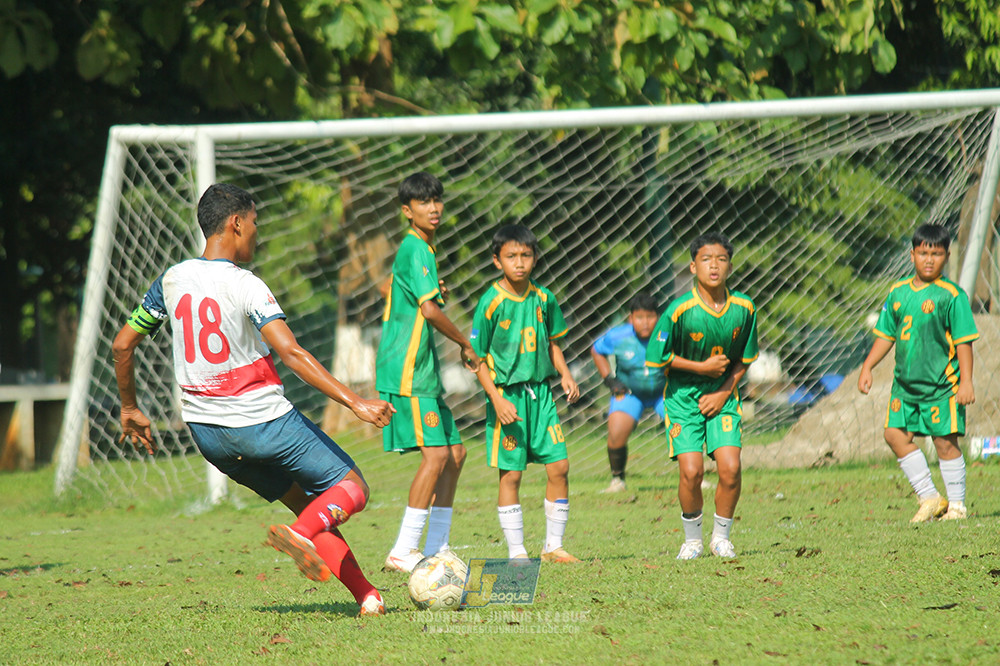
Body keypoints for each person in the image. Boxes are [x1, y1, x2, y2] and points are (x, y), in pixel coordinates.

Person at [112, 183, 394, 616]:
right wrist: (355, 402)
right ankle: (301, 535)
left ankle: (367, 596)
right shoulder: (246, 284)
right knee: (352, 488)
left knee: (310, 505)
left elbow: (122, 345)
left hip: (210, 437)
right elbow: (292, 353)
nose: (257, 233)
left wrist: (129, 408)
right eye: (255, 223)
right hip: (263, 423)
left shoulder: (170, 280)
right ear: (236, 223)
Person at [376, 172, 481, 573]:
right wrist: (465, 343)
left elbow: (410, 295)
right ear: (407, 210)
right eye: (423, 202)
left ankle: (436, 547)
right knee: (436, 455)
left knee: (455, 453)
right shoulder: (414, 248)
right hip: (407, 370)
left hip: (423, 369)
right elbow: (429, 310)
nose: (433, 208)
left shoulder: (423, 250)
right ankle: (403, 549)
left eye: (437, 200)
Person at [470, 224, 581, 563]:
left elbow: (553, 344)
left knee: (559, 467)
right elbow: (475, 358)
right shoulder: (490, 301)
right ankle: (517, 552)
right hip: (508, 397)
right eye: (511, 256)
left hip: (541, 396)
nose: (519, 262)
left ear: (534, 259)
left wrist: (565, 374)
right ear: (496, 260)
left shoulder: (544, 298)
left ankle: (553, 546)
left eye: (526, 256)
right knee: (512, 474)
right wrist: (497, 400)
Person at [645, 232, 758, 560]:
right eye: (706, 260)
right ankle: (692, 540)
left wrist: (723, 390)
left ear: (730, 266)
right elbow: (656, 357)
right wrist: (702, 367)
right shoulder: (679, 311)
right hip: (683, 400)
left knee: (730, 467)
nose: (714, 266)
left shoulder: (744, 308)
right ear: (693, 267)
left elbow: (745, 359)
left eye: (721, 260)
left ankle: (721, 538)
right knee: (692, 471)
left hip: (722, 397)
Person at [858, 223, 978, 522]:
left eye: (936, 254)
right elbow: (887, 334)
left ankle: (958, 506)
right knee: (893, 434)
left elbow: (964, 343)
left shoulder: (952, 295)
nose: (929, 259)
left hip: (942, 386)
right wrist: (867, 366)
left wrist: (966, 381)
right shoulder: (898, 292)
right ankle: (929, 497)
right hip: (905, 387)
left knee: (944, 442)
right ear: (912, 254)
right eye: (923, 253)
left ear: (946, 257)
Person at [590, 293, 665, 493]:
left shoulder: (666, 334)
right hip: (631, 393)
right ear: (630, 318)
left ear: (658, 317)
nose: (645, 322)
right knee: (615, 432)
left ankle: (696, 477)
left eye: (650, 317)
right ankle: (617, 480)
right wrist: (609, 379)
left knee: (685, 427)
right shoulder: (618, 335)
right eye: (639, 317)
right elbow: (596, 350)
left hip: (663, 393)